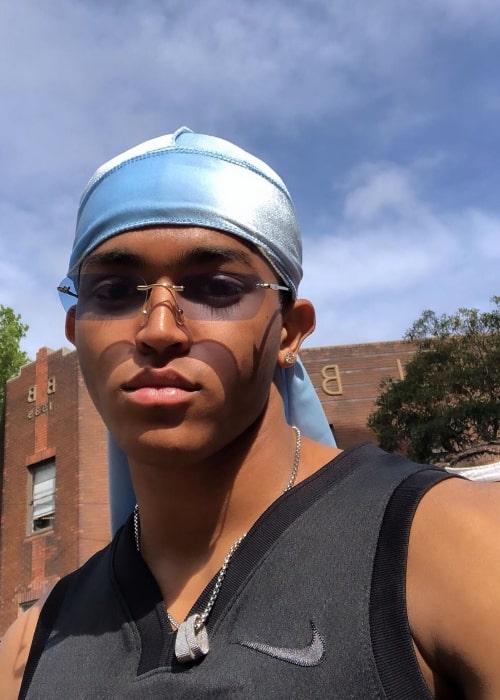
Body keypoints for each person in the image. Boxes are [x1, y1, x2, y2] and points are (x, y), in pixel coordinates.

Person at [1, 127, 499, 699]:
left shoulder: (455, 546)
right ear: (77, 332)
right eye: (113, 292)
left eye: (214, 287)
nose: (158, 329)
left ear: (289, 331)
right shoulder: (34, 647)